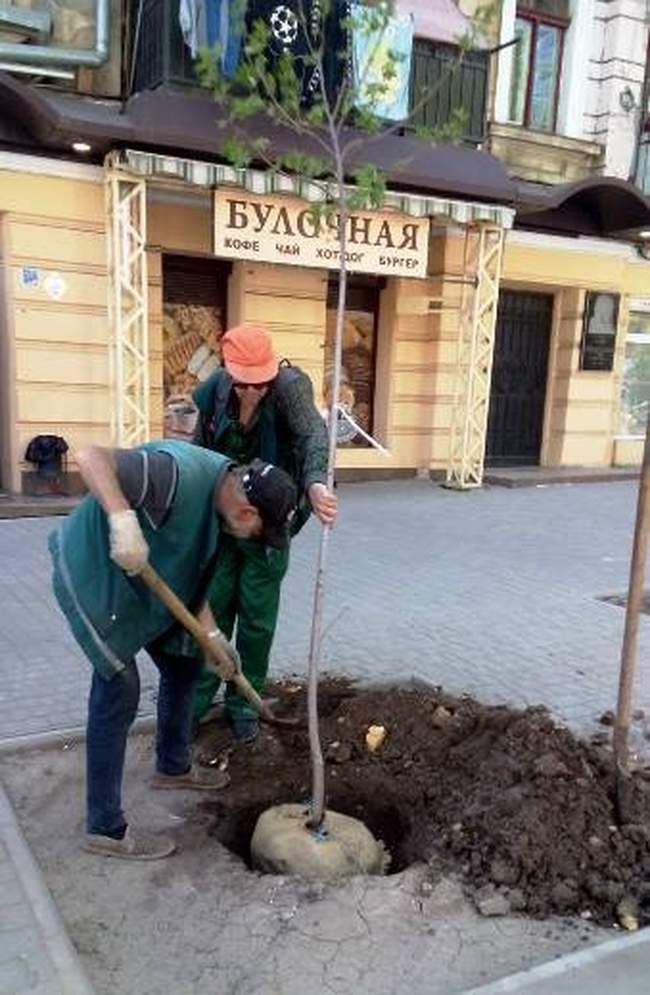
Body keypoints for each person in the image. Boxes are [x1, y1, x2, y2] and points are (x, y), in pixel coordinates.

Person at [49, 439, 297, 860]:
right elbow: (90, 456)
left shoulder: (222, 506)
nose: (255, 541)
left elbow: (189, 579)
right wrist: (122, 520)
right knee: (118, 689)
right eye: (260, 533)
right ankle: (105, 828)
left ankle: (173, 765)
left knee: (185, 661)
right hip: (97, 574)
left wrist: (212, 638)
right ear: (247, 512)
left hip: (141, 582)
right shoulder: (175, 475)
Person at [190, 324, 338, 742]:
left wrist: (314, 482)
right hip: (222, 527)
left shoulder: (290, 389)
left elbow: (313, 434)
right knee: (213, 615)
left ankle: (244, 702)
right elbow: (194, 455)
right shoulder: (212, 393)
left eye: (260, 383)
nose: (253, 391)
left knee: (257, 619)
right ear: (228, 372)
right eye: (244, 384)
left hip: (268, 527)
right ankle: (196, 702)